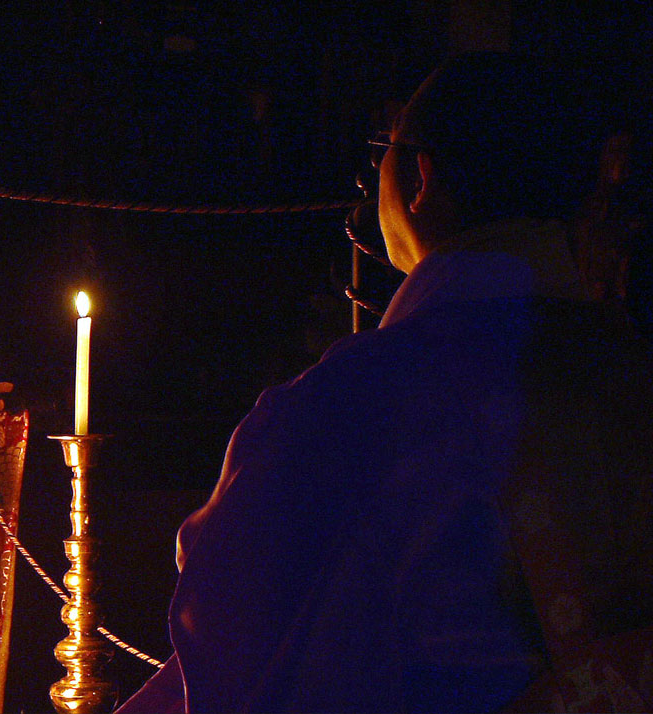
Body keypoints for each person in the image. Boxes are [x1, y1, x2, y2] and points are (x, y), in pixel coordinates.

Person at [118, 52, 653, 713]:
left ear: (421, 175)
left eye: (386, 153)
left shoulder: (354, 404)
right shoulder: (629, 368)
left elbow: (230, 633)